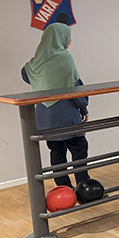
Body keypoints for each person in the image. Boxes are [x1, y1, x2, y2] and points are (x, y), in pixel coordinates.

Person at [21, 21, 90, 188]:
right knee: (79, 149)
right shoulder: (65, 58)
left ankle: (63, 187)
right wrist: (84, 108)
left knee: (57, 152)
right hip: (66, 115)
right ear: (60, 38)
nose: (70, 41)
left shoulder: (36, 61)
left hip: (45, 117)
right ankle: (84, 186)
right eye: (68, 37)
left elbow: (25, 74)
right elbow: (76, 87)